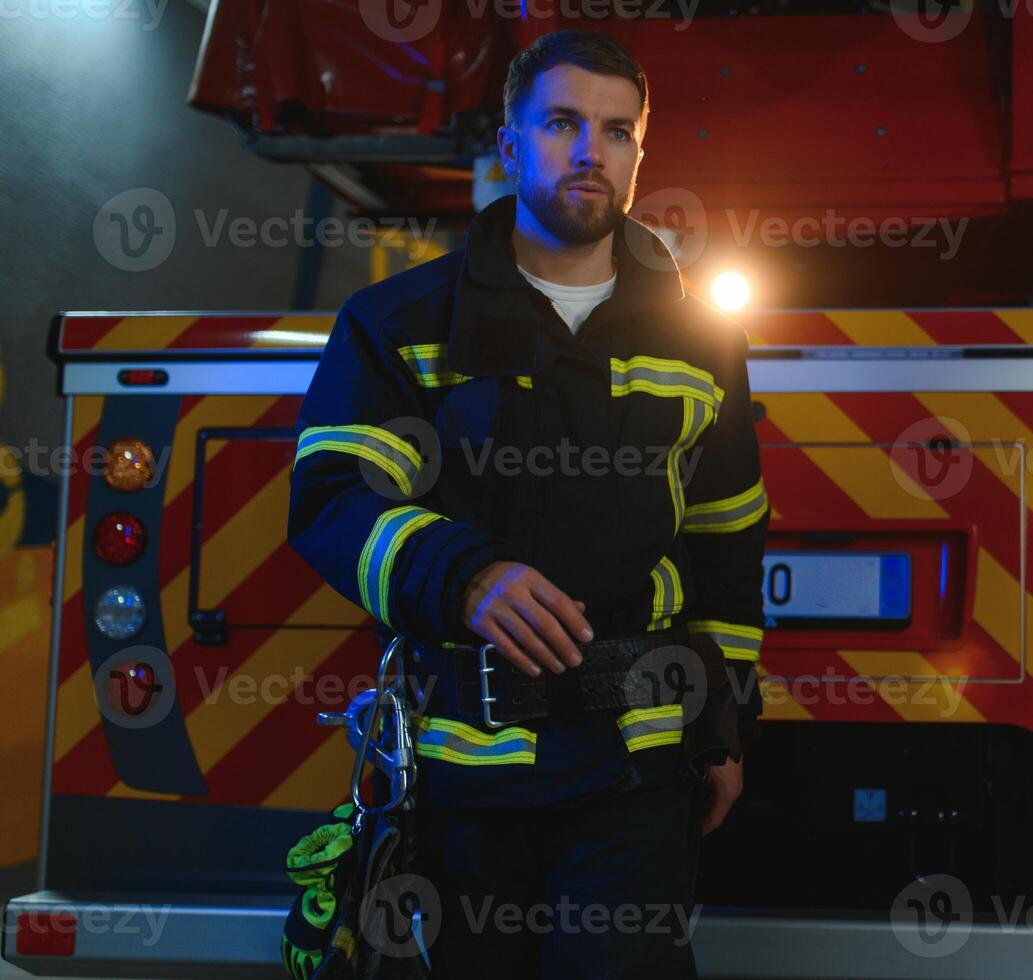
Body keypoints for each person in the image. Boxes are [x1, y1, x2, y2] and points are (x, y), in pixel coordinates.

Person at [286, 28, 768, 979]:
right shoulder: (401, 322)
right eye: (561, 123)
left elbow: (727, 542)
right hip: (460, 780)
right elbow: (334, 497)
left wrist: (725, 729)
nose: (592, 150)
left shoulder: (701, 342)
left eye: (617, 131)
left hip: (636, 773)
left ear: (638, 154)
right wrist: (465, 576)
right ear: (509, 146)